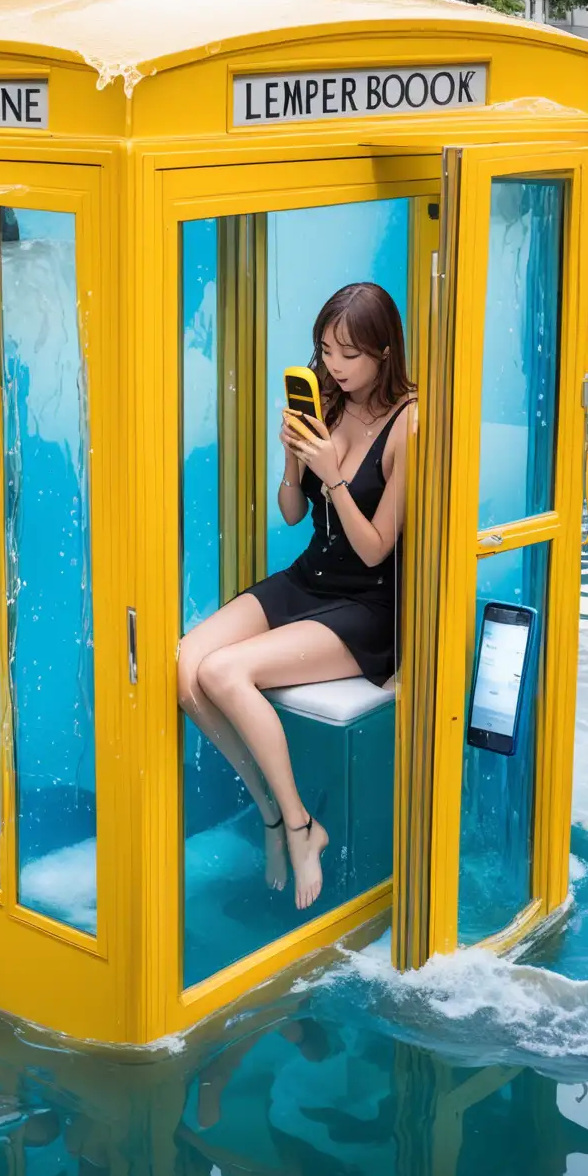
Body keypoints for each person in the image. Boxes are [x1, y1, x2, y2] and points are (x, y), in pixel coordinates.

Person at [175, 284, 416, 911]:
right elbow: (289, 513)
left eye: (348, 354)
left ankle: (303, 824)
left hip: (368, 604)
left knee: (225, 671)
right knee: (183, 666)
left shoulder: (411, 423)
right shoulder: (328, 400)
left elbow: (375, 550)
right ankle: (276, 816)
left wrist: (333, 473)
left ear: (384, 352)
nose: (333, 366)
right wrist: (292, 461)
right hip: (309, 577)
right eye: (325, 349)